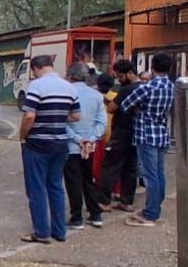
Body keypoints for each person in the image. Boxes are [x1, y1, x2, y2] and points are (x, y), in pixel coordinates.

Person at [18, 55, 81, 244]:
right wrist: (58, 118)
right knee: (55, 187)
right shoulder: (69, 87)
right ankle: (59, 231)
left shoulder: (36, 86)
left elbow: (29, 116)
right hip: (61, 144)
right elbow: (76, 116)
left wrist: (22, 135)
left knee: (36, 188)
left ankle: (42, 232)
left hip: (37, 143)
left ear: (36, 68)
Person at [117, 53, 175, 228]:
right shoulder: (172, 87)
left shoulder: (147, 87)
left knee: (150, 175)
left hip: (145, 133)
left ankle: (151, 212)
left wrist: (140, 109)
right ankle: (156, 205)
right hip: (162, 132)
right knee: (158, 172)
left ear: (152, 67)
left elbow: (125, 105)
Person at [64, 66, 106, 230]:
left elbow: (62, 121)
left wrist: (78, 139)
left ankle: (76, 217)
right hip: (90, 146)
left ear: (69, 75)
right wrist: (91, 139)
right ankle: (95, 213)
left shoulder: (66, 93)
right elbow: (102, 122)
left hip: (70, 144)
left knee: (73, 180)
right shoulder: (96, 95)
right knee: (88, 178)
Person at [99, 59, 140, 212]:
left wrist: (109, 102)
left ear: (129, 73)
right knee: (130, 168)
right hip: (136, 133)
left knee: (110, 166)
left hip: (121, 132)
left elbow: (111, 108)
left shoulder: (126, 89)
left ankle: (104, 201)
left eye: (119, 76)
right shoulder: (143, 87)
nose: (118, 79)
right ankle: (127, 201)